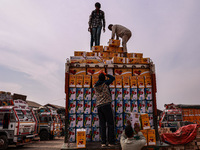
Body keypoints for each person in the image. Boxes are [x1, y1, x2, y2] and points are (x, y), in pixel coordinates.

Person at [94, 70, 115, 147]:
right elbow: (113, 78)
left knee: (102, 124)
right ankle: (111, 142)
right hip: (106, 105)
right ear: (104, 78)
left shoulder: (96, 86)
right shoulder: (105, 83)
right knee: (110, 124)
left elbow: (99, 81)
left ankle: (103, 142)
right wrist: (106, 74)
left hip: (99, 106)